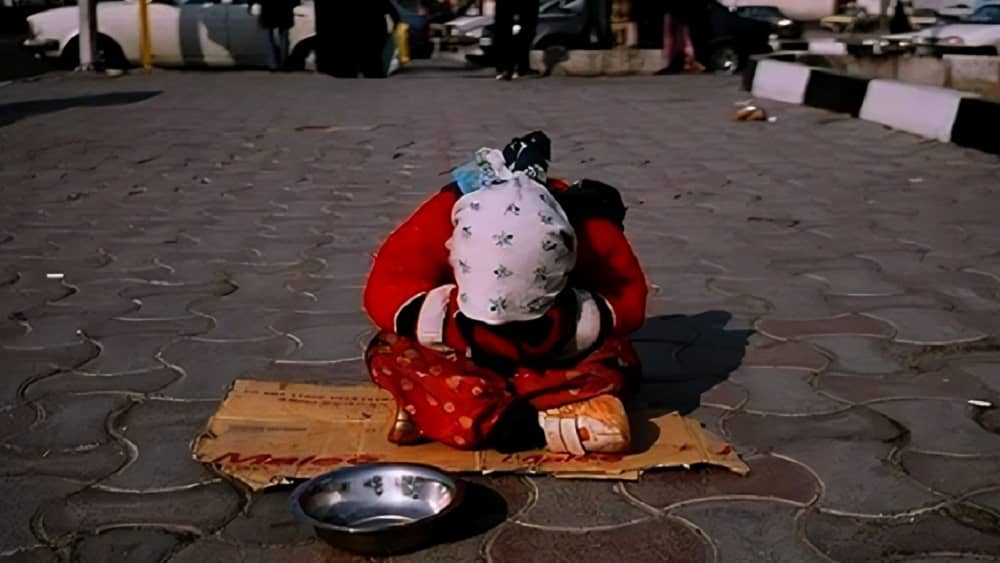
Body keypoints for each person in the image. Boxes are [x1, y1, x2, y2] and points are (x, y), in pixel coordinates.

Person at [362, 132, 649, 454]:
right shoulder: (441, 216)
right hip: (461, 349)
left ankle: (447, 412)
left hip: (555, 354)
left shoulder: (590, 225)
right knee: (388, 351)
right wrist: (444, 323)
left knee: (617, 359)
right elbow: (389, 283)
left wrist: (572, 322)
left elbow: (628, 297)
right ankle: (542, 420)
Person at [494, 0, 540, 80]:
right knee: (515, 44)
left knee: (517, 43)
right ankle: (510, 69)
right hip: (517, 19)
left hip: (514, 18)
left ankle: (511, 69)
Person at [254, 0, 298, 71]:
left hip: (268, 10)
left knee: (270, 38)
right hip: (285, 10)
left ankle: (273, 62)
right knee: (284, 37)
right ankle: (284, 62)